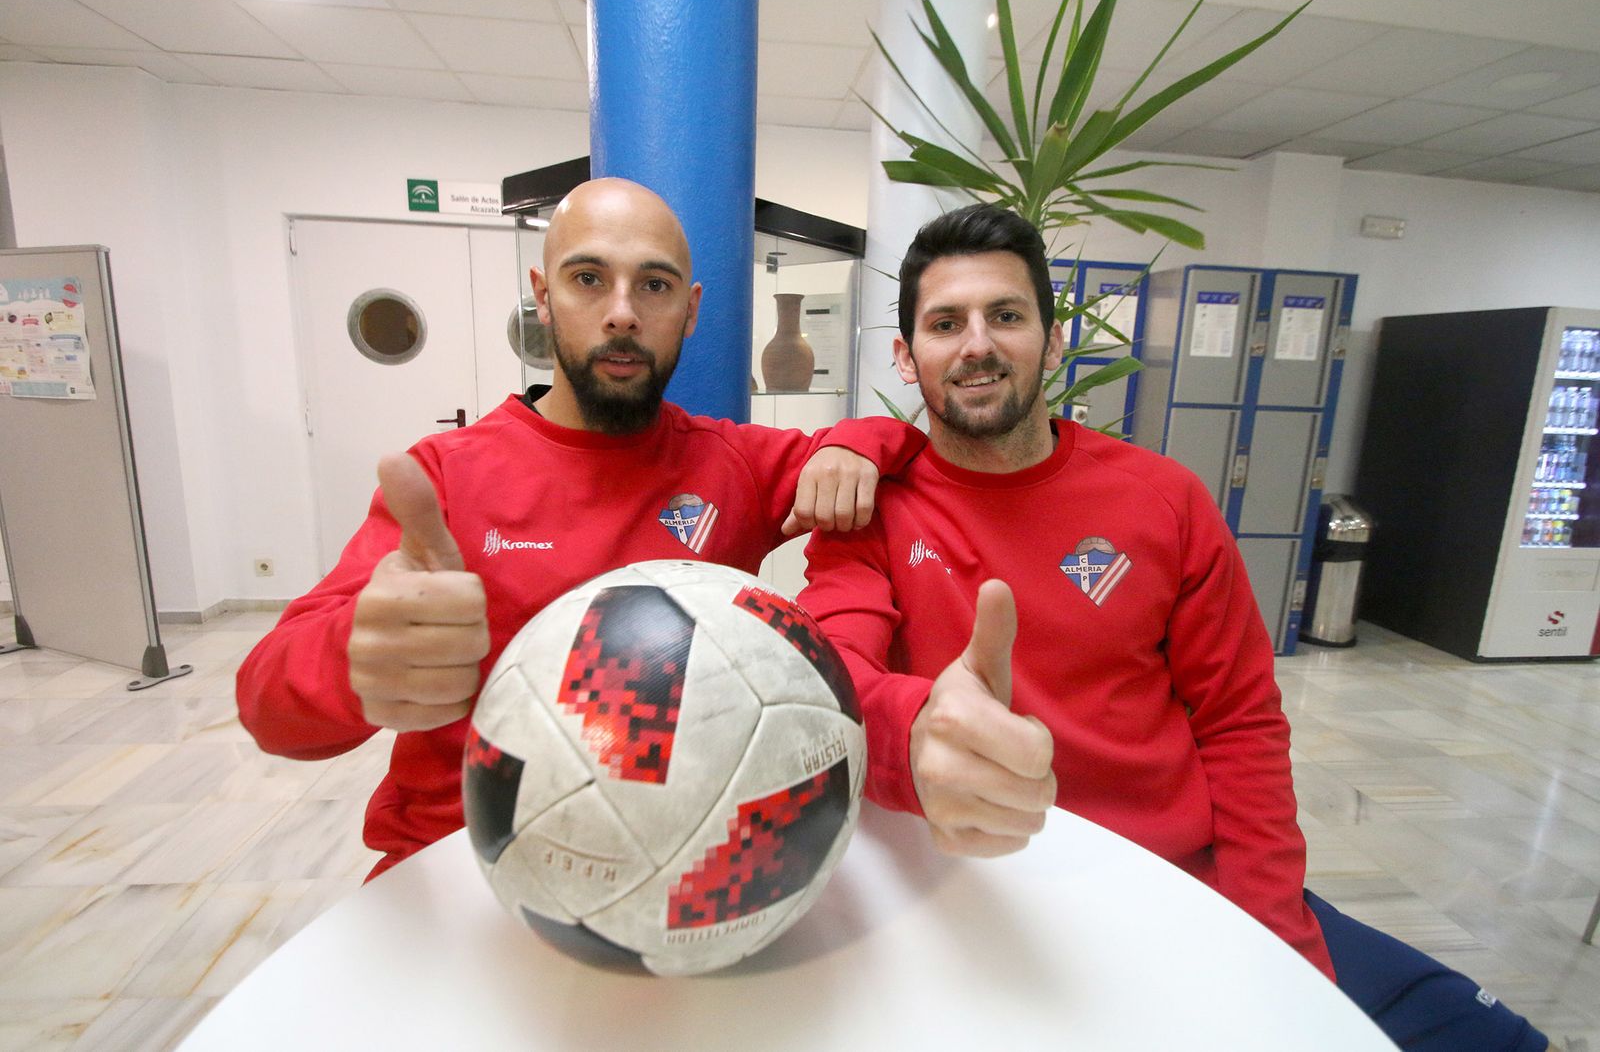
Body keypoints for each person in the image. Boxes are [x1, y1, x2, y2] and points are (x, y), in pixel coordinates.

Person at [798, 202, 1549, 1052]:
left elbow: (1240, 724)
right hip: (985, 898)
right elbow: (831, 683)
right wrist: (920, 721)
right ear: (906, 356)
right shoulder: (870, 511)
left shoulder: (1162, 500)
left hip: (1185, 880)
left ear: (1050, 341)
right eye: (945, 324)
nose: (976, 343)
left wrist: (1276, 940)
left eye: (1005, 315)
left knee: (1495, 1041)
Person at [236, 177, 923, 879]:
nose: (621, 313)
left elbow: (907, 451)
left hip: (669, 863)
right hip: (463, 865)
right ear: (543, 294)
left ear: (690, 312)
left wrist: (852, 444)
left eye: (654, 287)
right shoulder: (444, 479)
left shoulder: (732, 464)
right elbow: (267, 707)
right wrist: (355, 659)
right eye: (588, 278)